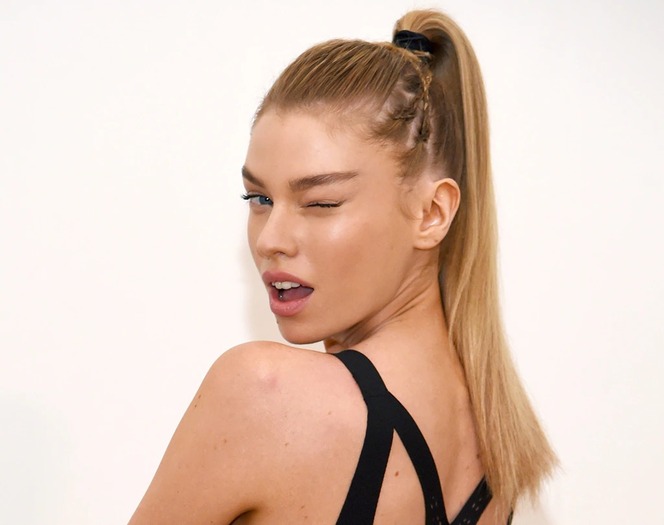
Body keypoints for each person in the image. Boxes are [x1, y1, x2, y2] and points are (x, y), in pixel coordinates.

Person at [129, 9, 556, 525]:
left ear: (432, 213)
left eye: (321, 203)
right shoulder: (497, 437)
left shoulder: (263, 394)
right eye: (259, 198)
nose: (270, 240)